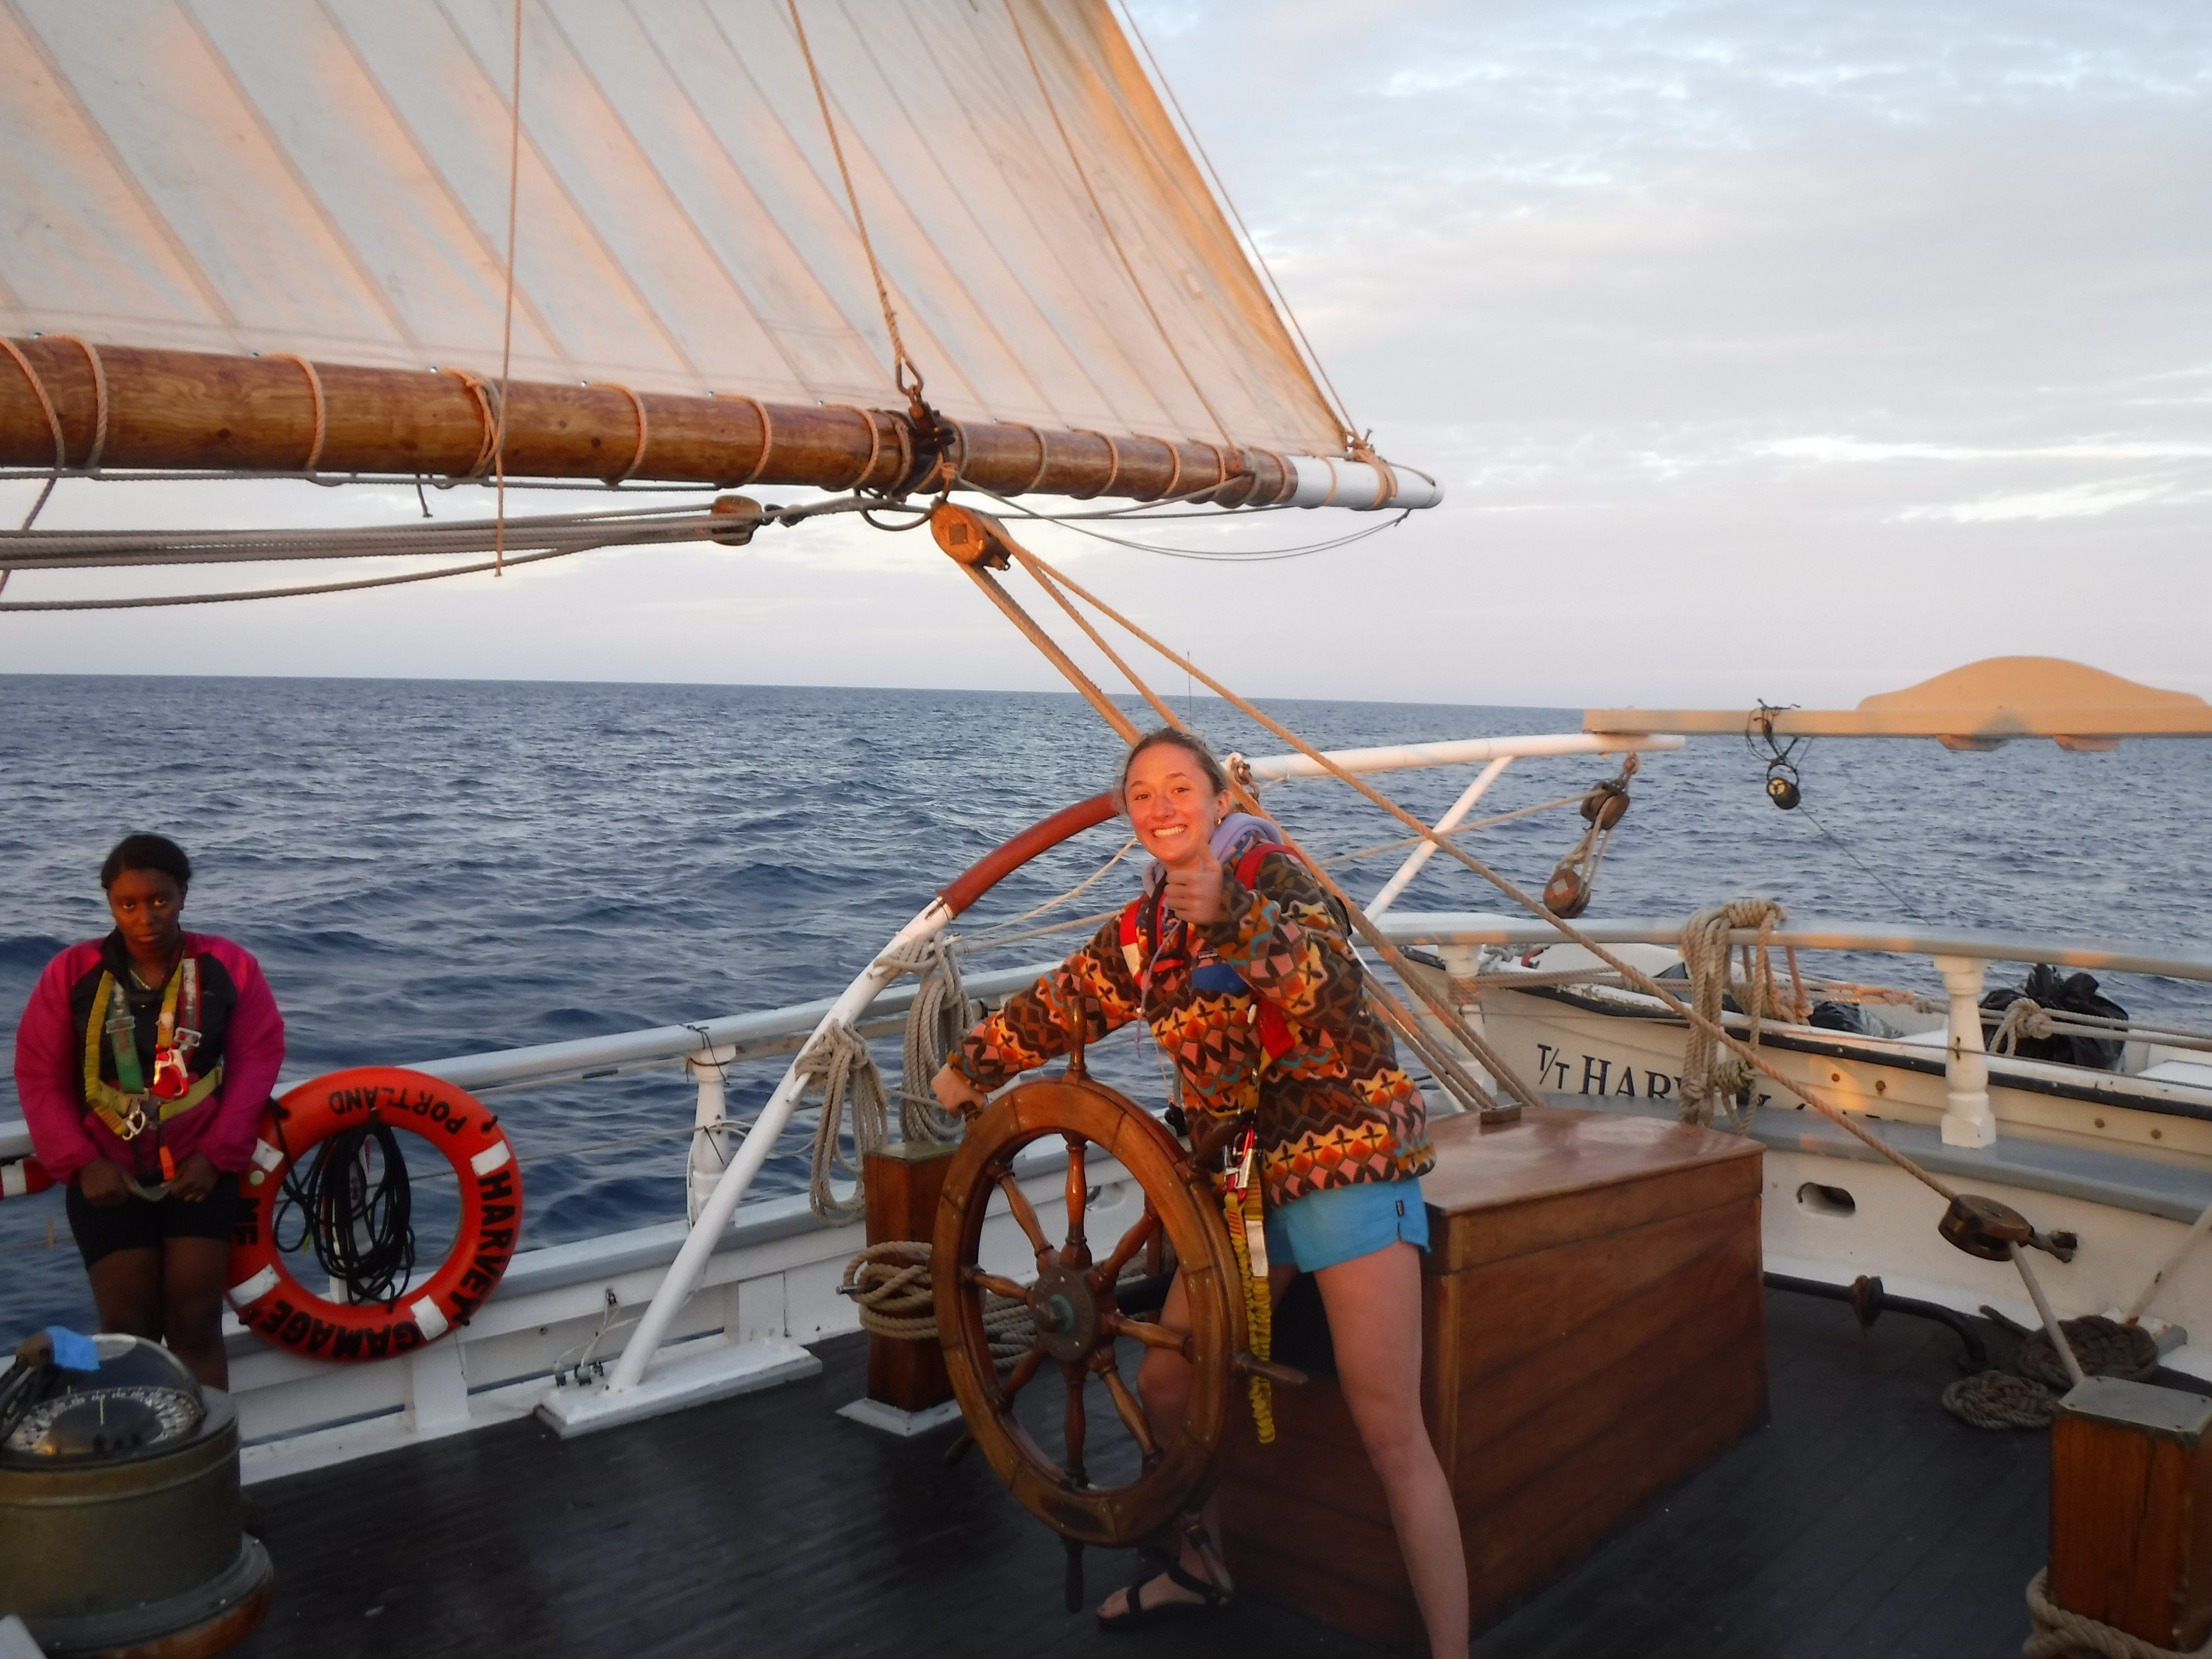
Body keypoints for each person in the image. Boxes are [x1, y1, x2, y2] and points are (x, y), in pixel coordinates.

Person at [933, 729, 1468, 1654]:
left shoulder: (1270, 873)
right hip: (1238, 1190)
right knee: (1170, 1381)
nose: (1160, 806)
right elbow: (1071, 996)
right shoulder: (1148, 933)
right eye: (1141, 793)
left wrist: (1233, 915)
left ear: (1220, 800)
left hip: (1343, 1162)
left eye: (1178, 786)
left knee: (1392, 1434)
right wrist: (970, 1065)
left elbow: (1332, 988)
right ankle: (1198, 1561)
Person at [13, 834, 285, 1390]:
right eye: (128, 905)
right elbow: (40, 1075)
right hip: (105, 1178)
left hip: (202, 1175)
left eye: (159, 901)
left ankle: (208, 1460)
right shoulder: (71, 973)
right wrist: (80, 1162)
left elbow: (259, 1056)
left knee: (195, 1325)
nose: (145, 918)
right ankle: (143, 1462)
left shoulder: (229, 964)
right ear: (110, 904)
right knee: (128, 1331)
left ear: (183, 895)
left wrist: (218, 1154)